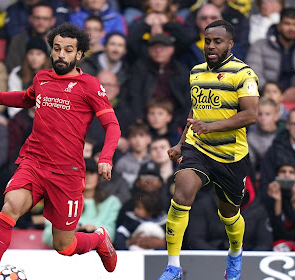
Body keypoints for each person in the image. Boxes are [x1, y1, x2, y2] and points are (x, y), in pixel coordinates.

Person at [0, 22, 121, 280]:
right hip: (34, 162)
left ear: (79, 54)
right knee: (9, 207)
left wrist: (105, 157)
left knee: (64, 246)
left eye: (68, 50)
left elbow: (112, 126)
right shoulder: (42, 78)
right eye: (57, 48)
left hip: (67, 173)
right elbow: (24, 98)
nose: (61, 54)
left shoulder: (90, 85)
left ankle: (99, 239)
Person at [158, 20, 259, 280]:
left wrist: (211, 127)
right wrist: (181, 144)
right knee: (182, 192)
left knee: (229, 215)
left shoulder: (243, 74)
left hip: (230, 156)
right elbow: (196, 112)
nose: (211, 46)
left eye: (217, 41)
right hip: (198, 148)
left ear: (230, 44)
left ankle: (235, 254)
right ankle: (173, 267)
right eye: (208, 41)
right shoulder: (196, 72)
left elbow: (250, 115)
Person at [43, 157, 122, 247]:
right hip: (65, 253)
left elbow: (110, 235)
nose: (87, 177)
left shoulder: (112, 203)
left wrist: (94, 230)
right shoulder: (58, 201)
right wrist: (68, 233)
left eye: (91, 173)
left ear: (98, 176)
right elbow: (47, 238)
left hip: (96, 254)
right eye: (83, 172)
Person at [246, 8, 295, 101]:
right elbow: (250, 73)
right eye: (287, 24)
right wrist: (268, 89)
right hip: (264, 98)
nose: (291, 28)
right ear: (279, 26)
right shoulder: (260, 46)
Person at [127, 33, 191, 129]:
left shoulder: (181, 71)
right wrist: (139, 116)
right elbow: (134, 94)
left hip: (175, 120)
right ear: (149, 50)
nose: (158, 51)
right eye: (154, 47)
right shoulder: (140, 68)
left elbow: (187, 100)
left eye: (163, 47)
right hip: (146, 119)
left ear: (172, 50)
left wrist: (181, 121)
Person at [265, 162, 295, 250]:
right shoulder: (268, 196)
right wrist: (277, 201)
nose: (287, 175)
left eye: (291, 172)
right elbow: (277, 232)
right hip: (273, 246)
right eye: (283, 171)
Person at [7, 36, 51, 118]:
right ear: (26, 55)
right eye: (31, 53)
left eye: (39, 54)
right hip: (22, 119)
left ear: (45, 56)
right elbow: (13, 102)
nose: (34, 58)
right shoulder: (17, 74)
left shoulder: (53, 75)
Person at [5, 3, 55, 72]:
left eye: (45, 19)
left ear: (52, 21)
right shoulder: (18, 41)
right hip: (22, 81)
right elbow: (12, 67)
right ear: (30, 19)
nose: (41, 22)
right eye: (37, 18)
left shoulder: (61, 43)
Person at [247, 97, 280, 179]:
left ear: (276, 116)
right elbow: (251, 166)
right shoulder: (251, 138)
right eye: (260, 114)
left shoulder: (285, 133)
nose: (263, 118)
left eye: (267, 114)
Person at [114, 122, 151, 189]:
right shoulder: (122, 162)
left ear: (148, 139)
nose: (138, 140)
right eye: (133, 136)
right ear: (129, 140)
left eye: (141, 135)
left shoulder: (153, 160)